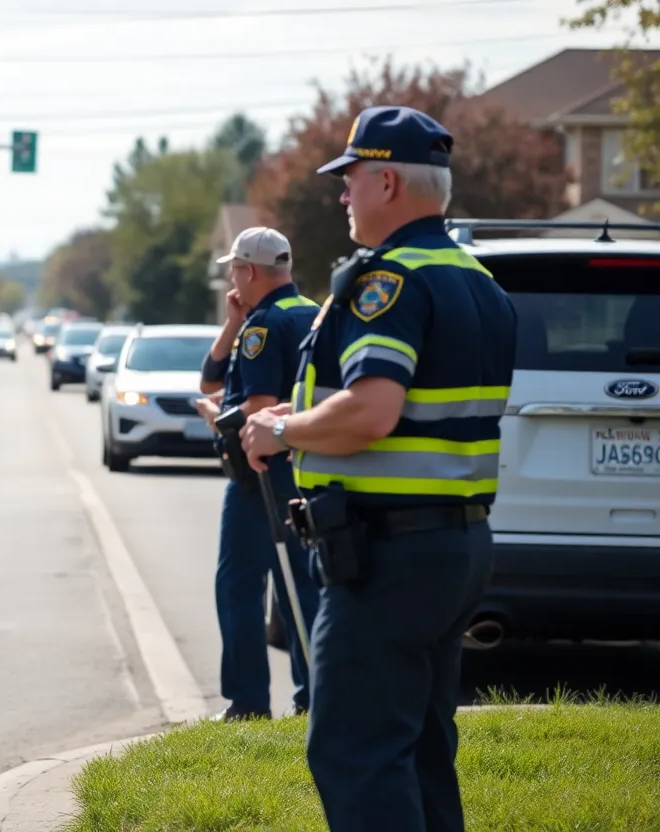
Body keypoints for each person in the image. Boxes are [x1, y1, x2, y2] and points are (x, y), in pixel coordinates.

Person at [239, 106, 517, 831]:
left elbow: (370, 412)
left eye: (352, 179)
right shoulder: (477, 279)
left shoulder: (385, 282)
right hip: (457, 548)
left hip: (388, 555)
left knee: (354, 752)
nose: (343, 195)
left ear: (387, 181)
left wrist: (280, 429)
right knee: (422, 750)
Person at [195, 227, 320, 721]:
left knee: (241, 586)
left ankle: (246, 703)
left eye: (234, 268)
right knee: (299, 586)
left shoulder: (265, 326)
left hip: (261, 472)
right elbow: (211, 375)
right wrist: (232, 322)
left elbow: (257, 409)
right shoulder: (308, 310)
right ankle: (313, 695)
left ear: (249, 270)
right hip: (305, 464)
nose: (230, 277)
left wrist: (213, 416)